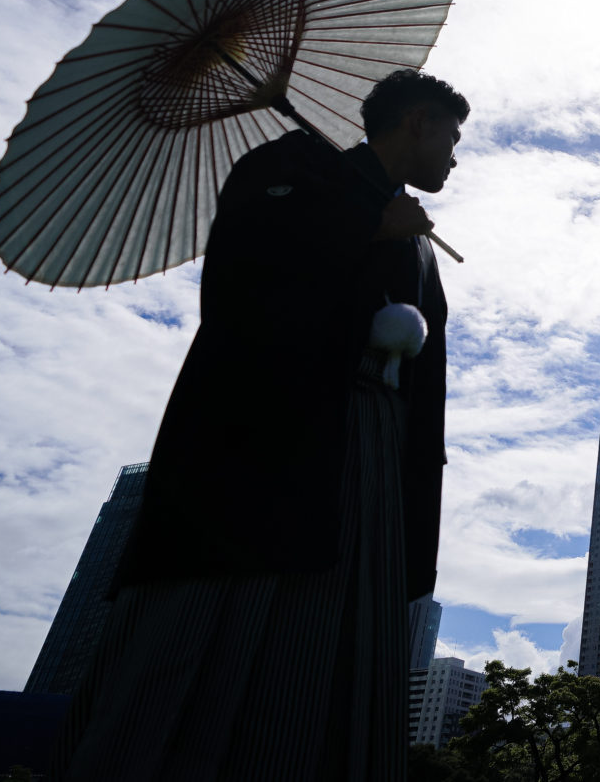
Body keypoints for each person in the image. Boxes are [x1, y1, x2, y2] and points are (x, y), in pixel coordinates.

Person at [56, 69, 467, 781]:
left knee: (341, 649)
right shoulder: (294, 168)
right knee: (214, 639)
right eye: (452, 138)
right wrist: (370, 226)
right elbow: (244, 282)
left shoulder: (413, 229)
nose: (455, 158)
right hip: (271, 447)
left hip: (375, 445)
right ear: (418, 122)